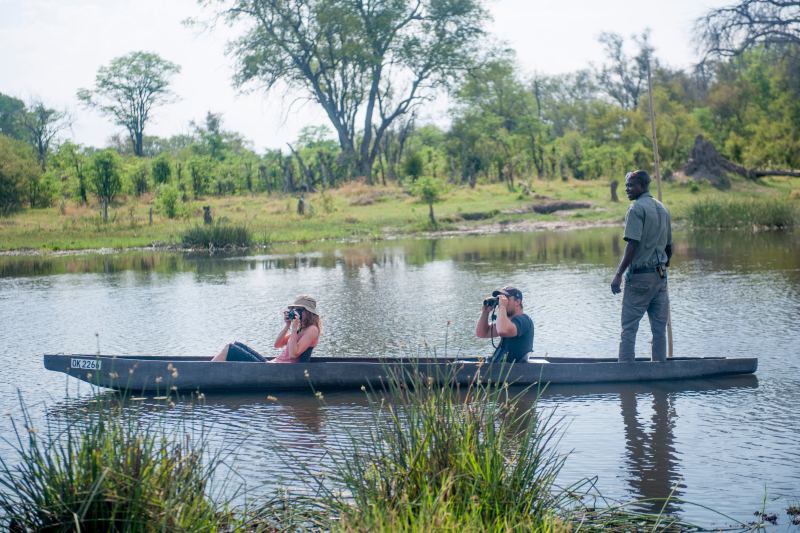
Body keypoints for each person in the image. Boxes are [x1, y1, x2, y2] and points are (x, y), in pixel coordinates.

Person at [611, 170, 672, 363]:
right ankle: (660, 369)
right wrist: (662, 269)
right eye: (626, 185)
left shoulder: (636, 209)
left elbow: (632, 244)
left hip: (640, 278)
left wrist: (619, 274)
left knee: (629, 328)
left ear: (643, 186)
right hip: (660, 278)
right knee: (659, 329)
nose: (627, 189)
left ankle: (626, 374)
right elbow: (669, 247)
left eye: (631, 185)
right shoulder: (662, 209)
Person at [211, 295, 321, 363]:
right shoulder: (299, 329)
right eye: (294, 309)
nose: (295, 312)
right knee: (235, 344)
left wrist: (293, 328)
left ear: (307, 312)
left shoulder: (312, 330)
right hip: (272, 365)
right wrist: (287, 325)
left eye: (299, 310)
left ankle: (205, 373)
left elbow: (293, 354)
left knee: (230, 349)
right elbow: (277, 345)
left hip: (280, 370)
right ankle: (207, 372)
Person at [475, 286, 534, 363]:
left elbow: (503, 331)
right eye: (501, 300)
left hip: (511, 370)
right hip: (497, 367)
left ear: (517, 302)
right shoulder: (507, 323)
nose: (501, 302)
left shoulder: (524, 320)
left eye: (506, 299)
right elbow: (482, 333)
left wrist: (502, 306)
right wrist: (485, 312)